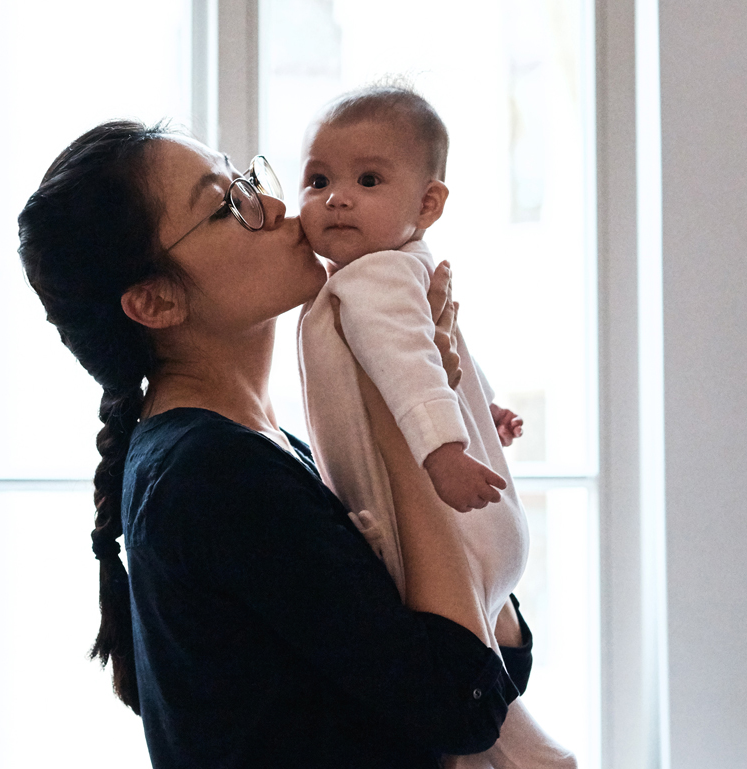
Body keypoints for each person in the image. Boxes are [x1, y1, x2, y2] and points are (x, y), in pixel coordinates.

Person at [17, 119, 529, 769]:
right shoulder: (211, 476)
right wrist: (405, 412)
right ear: (155, 301)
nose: (282, 207)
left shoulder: (268, 446)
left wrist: (436, 401)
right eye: (229, 205)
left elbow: (499, 662)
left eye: (246, 180)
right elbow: (463, 699)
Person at [296, 85, 577, 768]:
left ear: (428, 204)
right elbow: (446, 355)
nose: (337, 197)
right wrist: (485, 403)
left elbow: (413, 367)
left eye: (368, 180)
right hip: (478, 545)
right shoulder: (402, 267)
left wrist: (447, 450)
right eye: (318, 179)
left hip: (437, 524)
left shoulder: (372, 280)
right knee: (492, 713)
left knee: (467, 718)